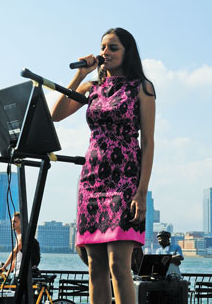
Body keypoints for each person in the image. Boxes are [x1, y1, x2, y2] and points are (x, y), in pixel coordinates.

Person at [52, 27, 156, 304]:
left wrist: (141, 192)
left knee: (117, 265)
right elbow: (56, 114)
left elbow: (148, 142)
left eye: (113, 48)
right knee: (94, 265)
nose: (105, 53)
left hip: (125, 179)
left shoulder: (142, 88)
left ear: (127, 53)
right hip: (91, 179)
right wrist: (80, 75)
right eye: (103, 47)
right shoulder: (92, 87)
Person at [0, 212, 23, 281]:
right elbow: (16, 257)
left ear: (21, 222)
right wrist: (8, 271)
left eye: (15, 222)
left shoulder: (22, 236)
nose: (12, 223)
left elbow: (14, 252)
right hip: (17, 271)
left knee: (12, 291)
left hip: (22, 272)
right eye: (12, 221)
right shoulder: (18, 236)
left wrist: (4, 267)